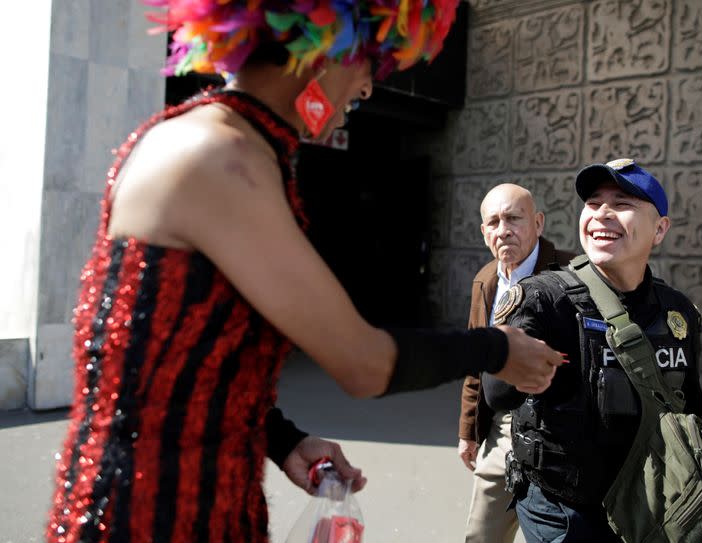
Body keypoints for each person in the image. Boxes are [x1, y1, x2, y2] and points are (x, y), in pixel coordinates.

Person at [46, 2, 564, 542]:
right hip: (151, 520)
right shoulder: (222, 154)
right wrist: (497, 350)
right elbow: (363, 364)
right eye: (367, 61)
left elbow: (179, 363)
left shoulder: (229, 143)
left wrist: (283, 439)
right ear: (321, 46)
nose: (365, 88)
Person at [484, 159, 702, 543]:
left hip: (651, 505)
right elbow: (498, 393)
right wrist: (507, 352)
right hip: (567, 511)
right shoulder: (545, 299)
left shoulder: (677, 312)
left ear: (659, 229)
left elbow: (691, 404)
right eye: (593, 203)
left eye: (622, 203)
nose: (602, 213)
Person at [458, 184, 573, 543]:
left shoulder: (572, 273)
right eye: (493, 222)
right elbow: (474, 361)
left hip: (562, 430)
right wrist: (467, 431)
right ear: (484, 233)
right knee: (481, 535)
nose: (503, 229)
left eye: (513, 218)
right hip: (503, 428)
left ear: (537, 223)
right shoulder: (485, 280)